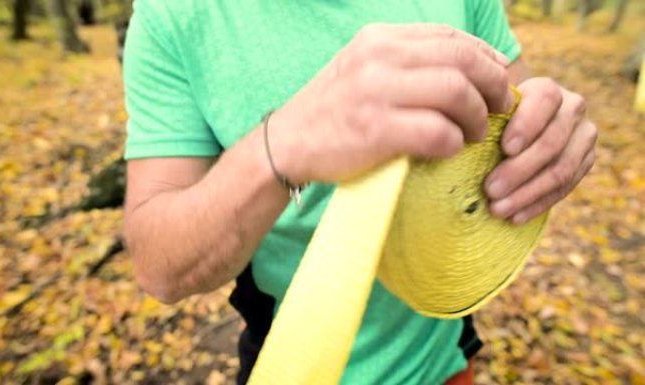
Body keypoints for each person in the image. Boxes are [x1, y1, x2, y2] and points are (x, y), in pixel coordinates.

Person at [121, 1, 597, 384]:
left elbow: (516, 103)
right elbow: (159, 265)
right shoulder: (172, 16)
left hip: (448, 351)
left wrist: (550, 136)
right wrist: (283, 144)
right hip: (298, 366)